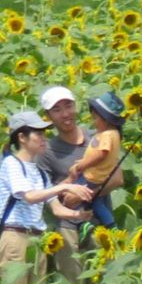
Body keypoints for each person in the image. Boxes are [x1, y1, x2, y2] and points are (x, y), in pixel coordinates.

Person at [0, 111, 87, 284]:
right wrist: (65, 186)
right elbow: (29, 197)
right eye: (39, 134)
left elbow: (57, 209)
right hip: (15, 238)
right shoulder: (11, 164)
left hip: (37, 240)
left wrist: (81, 213)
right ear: (21, 137)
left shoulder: (39, 172)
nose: (44, 139)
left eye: (45, 134)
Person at [38, 86, 90, 270]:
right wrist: (69, 181)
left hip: (99, 221)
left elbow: (116, 178)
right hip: (67, 227)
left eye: (68, 106)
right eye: (57, 110)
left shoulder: (95, 138)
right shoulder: (46, 151)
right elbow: (44, 194)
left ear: (75, 106)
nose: (65, 114)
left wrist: (83, 194)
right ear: (49, 116)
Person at [70, 92, 128, 233]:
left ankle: (80, 222)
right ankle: (111, 226)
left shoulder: (107, 134)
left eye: (95, 118)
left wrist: (82, 165)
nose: (93, 122)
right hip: (100, 176)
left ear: (106, 119)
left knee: (72, 195)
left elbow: (102, 153)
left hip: (92, 176)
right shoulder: (113, 134)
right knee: (97, 202)